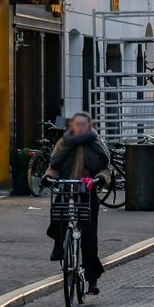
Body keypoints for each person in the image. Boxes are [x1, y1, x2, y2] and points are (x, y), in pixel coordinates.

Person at [42, 112, 112, 294]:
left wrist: (99, 179)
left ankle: (92, 279)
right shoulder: (63, 143)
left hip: (87, 194)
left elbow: (106, 168)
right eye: (77, 124)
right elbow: (53, 166)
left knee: (89, 238)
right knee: (58, 216)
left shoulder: (96, 143)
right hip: (67, 190)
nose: (80, 127)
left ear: (89, 126)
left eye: (83, 124)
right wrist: (48, 177)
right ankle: (60, 245)